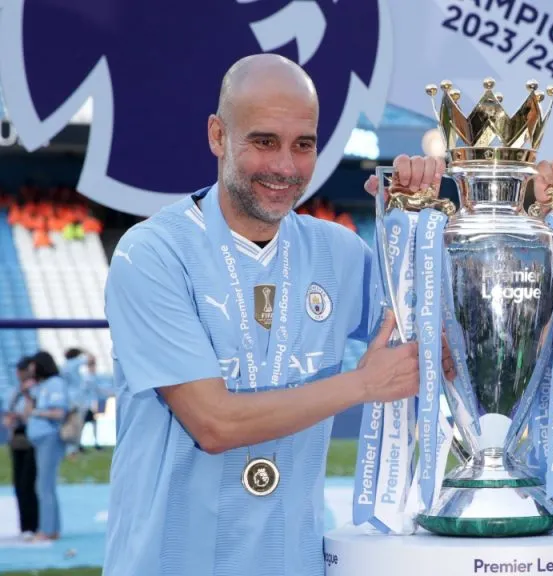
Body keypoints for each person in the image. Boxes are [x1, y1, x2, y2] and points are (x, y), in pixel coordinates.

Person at [101, 54, 446, 576]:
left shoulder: (339, 252)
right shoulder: (152, 253)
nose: (286, 167)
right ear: (218, 136)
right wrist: (362, 384)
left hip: (293, 561)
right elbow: (214, 423)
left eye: (303, 144)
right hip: (169, 562)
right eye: (264, 141)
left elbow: (443, 348)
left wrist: (412, 229)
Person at [24, 351, 69, 542]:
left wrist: (36, 412)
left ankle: (46, 529)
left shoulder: (55, 384)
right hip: (40, 439)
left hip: (49, 438)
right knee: (46, 485)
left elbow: (58, 412)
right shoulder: (41, 386)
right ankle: (53, 529)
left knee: (44, 486)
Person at [3, 356, 39, 540]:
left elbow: (29, 415)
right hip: (16, 440)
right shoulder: (14, 392)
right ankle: (24, 526)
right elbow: (7, 417)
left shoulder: (35, 391)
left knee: (28, 484)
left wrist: (26, 396)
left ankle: (34, 525)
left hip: (30, 439)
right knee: (18, 485)